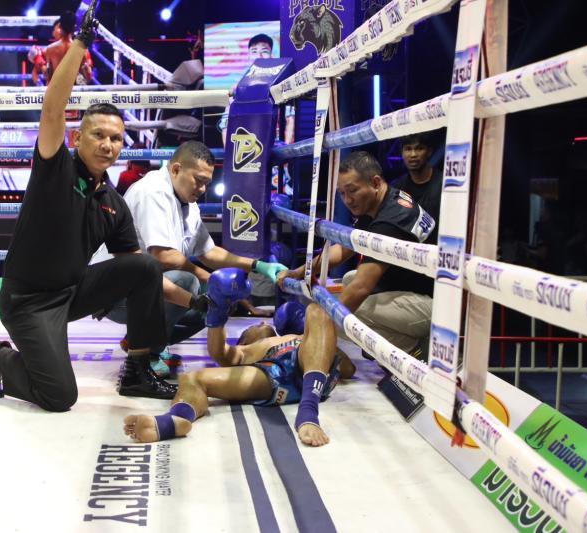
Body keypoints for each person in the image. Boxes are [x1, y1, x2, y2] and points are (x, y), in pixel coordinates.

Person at [0, 1, 178, 411]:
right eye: (98, 135)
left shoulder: (113, 203)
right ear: (77, 139)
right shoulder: (56, 169)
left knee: (144, 266)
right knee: (59, 396)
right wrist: (81, 42)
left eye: (115, 138)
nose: (107, 144)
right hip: (27, 302)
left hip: (71, 292)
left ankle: (139, 371)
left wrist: (199, 302)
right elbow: (52, 107)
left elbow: (139, 272)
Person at [123, 268, 355, 446]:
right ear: (244, 339)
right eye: (253, 327)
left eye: (262, 323)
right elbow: (220, 353)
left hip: (309, 365)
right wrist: (217, 314)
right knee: (192, 379)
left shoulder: (302, 338)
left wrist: (311, 332)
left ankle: (308, 413)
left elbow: (347, 369)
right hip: (271, 376)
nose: (262, 324)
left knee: (318, 310)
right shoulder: (249, 351)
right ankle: (175, 420)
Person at [106, 141, 288, 359]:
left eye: (206, 183)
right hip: (114, 294)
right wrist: (208, 278)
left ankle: (140, 339)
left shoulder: (187, 202)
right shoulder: (152, 192)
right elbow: (163, 256)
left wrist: (258, 266)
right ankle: (147, 354)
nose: (202, 189)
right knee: (187, 282)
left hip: (143, 286)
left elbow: (208, 252)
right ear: (176, 169)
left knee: (218, 303)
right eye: (198, 180)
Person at [278, 151, 435, 359]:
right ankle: (392, 344)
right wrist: (299, 271)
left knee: (349, 312)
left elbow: (361, 288)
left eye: (352, 191)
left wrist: (313, 332)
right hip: (415, 289)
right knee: (349, 279)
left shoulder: (388, 222)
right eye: (342, 193)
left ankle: (413, 350)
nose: (347, 200)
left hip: (433, 307)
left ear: (375, 183)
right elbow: (345, 248)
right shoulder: (382, 201)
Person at [391, 133, 442, 242]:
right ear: (402, 153)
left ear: (429, 152)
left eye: (419, 148)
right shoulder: (396, 188)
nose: (413, 154)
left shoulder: (444, 184)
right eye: (408, 149)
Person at [42, 12, 93, 87]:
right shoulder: (81, 50)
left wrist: (40, 64)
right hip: (73, 91)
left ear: (60, 26)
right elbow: (88, 77)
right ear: (74, 28)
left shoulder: (50, 49)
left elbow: (47, 76)